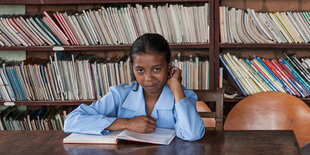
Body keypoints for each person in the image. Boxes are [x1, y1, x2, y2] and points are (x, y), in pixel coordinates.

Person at [64, 33, 205, 141]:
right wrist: (125, 123)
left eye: (156, 69)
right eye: (140, 70)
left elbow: (192, 133)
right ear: (132, 68)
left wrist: (175, 85)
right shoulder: (120, 94)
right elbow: (71, 121)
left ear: (169, 67)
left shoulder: (183, 96)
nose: (148, 78)